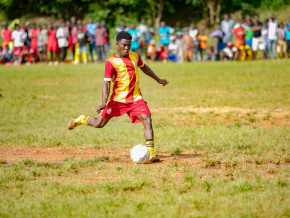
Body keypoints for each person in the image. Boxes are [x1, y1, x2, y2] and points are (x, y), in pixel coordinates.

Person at [67, 31, 169, 162]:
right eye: (124, 45)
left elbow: (144, 67)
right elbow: (106, 83)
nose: (127, 48)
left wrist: (157, 79)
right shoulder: (111, 62)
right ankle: (81, 119)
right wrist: (104, 102)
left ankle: (152, 154)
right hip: (117, 100)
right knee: (99, 124)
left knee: (147, 119)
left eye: (129, 45)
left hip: (136, 99)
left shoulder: (135, 57)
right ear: (117, 44)